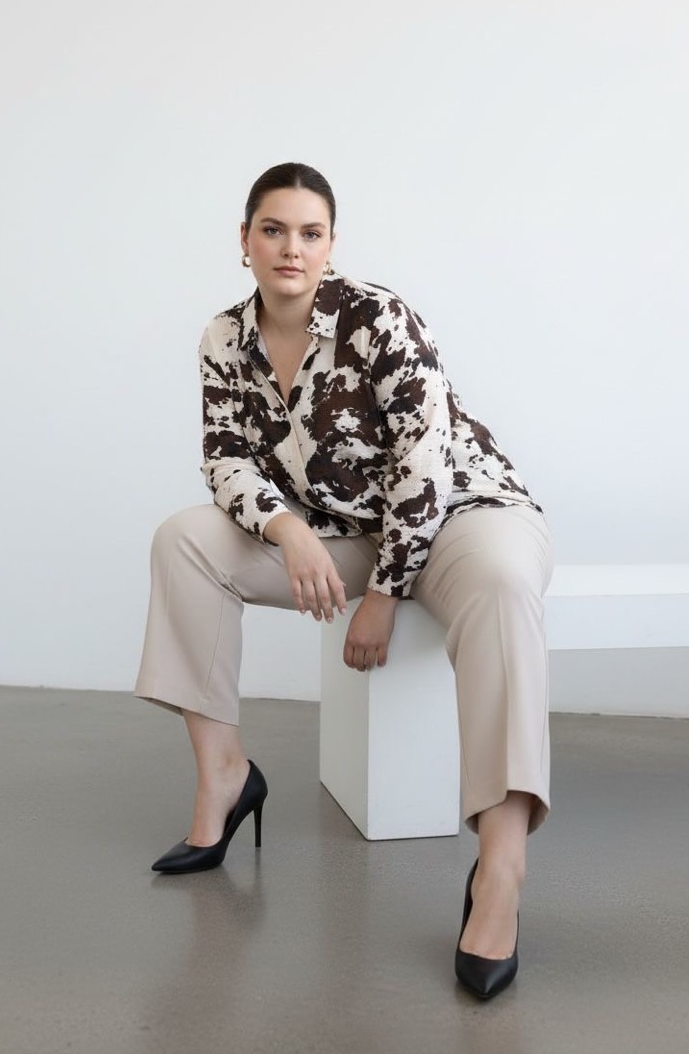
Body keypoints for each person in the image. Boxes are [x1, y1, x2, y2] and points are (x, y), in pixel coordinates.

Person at [134, 162, 553, 1001]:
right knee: (183, 541)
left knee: (506, 585)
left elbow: (425, 467)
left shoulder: (376, 318)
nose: (292, 248)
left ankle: (501, 870)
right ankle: (225, 776)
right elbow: (225, 459)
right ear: (245, 241)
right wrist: (288, 530)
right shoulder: (224, 338)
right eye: (274, 230)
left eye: (310, 232)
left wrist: (384, 597)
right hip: (342, 530)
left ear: (332, 244)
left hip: (462, 513)